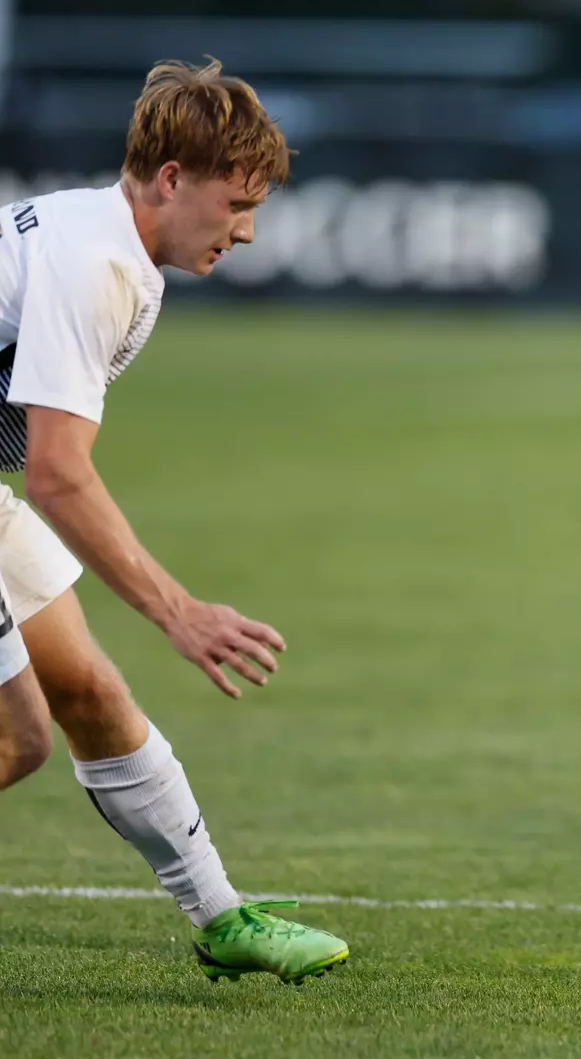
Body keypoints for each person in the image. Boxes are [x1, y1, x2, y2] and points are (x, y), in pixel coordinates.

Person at [0, 59, 347, 985]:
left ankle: (223, 918)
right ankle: (223, 914)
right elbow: (58, 475)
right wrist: (178, 611)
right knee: (22, 735)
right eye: (236, 202)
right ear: (169, 181)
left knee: (66, 709)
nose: (246, 228)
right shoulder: (97, 262)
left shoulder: (104, 242)